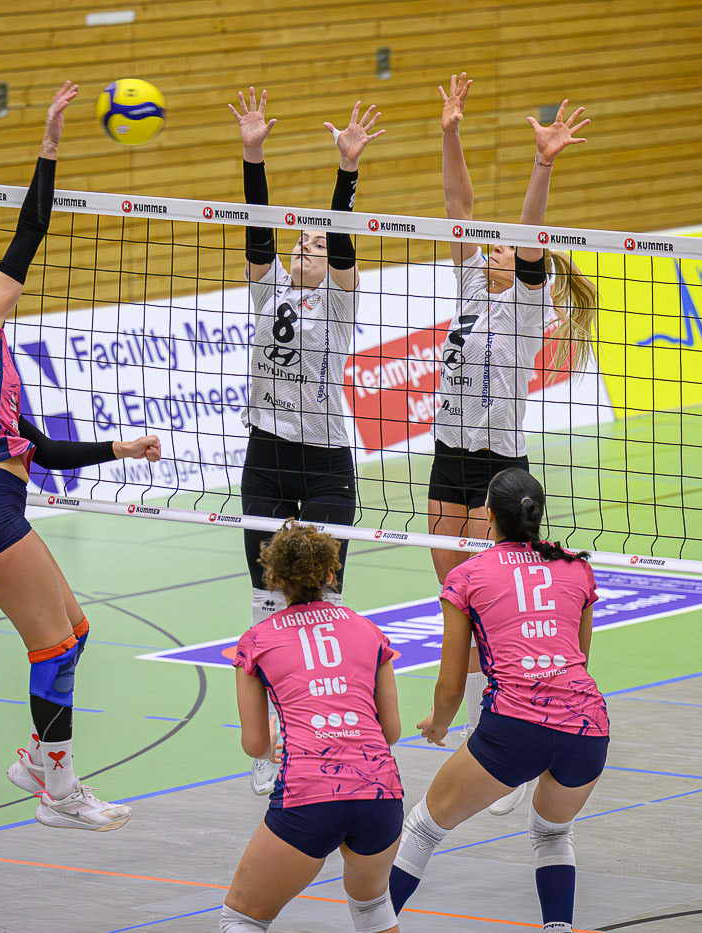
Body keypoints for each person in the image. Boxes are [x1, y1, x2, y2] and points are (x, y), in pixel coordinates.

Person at [0, 81, 162, 830]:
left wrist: (122, 446)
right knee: (52, 642)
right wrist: (49, 141)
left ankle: (38, 760)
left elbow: (42, 449)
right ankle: (59, 790)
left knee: (74, 630)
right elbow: (30, 230)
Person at [428, 73, 598, 816]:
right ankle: (488, 730)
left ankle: (505, 736)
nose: (492, 248)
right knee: (456, 602)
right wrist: (451, 131)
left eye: (504, 247)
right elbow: (458, 206)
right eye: (490, 247)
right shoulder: (471, 283)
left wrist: (542, 163)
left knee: (498, 609)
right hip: (448, 456)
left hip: (500, 465)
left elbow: (527, 228)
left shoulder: (527, 305)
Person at [229, 86, 384, 794]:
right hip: (265, 457)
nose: (305, 249)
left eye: (318, 245)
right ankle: (267, 749)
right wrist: (252, 154)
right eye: (302, 243)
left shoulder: (342, 303)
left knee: (324, 604)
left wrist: (346, 171)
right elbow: (258, 233)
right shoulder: (270, 293)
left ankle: (327, 730)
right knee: (266, 605)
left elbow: (342, 237)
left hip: (326, 464)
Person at [390, 469, 608, 933]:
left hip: (515, 728)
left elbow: (452, 682)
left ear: (487, 514)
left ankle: (373, 927)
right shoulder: (577, 568)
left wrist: (439, 724)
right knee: (552, 834)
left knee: (424, 828)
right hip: (587, 728)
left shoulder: (466, 576)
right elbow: (580, 659)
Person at [221, 524, 403, 933]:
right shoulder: (368, 631)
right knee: (373, 909)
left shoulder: (256, 641)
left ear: (273, 578)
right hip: (380, 793)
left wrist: (272, 743)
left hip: (309, 795)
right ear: (330, 573)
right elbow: (390, 732)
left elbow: (255, 744)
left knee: (241, 917)